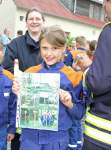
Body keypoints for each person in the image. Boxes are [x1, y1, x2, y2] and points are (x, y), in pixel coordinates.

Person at [12, 26, 85, 150]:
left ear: (64, 47)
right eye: (44, 48)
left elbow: (79, 114)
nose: (49, 53)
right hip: (30, 139)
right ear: (39, 47)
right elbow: (16, 109)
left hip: (57, 141)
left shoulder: (74, 76)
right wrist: (19, 96)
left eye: (55, 48)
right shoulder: (30, 73)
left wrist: (70, 104)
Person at [2, 7, 45, 150]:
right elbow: (7, 68)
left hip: (44, 100)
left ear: (43, 22)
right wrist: (20, 82)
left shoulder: (49, 44)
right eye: (31, 19)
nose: (34, 21)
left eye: (38, 18)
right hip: (21, 101)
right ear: (26, 22)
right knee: (20, 143)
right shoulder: (16, 43)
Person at [80, 0, 111, 149]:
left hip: (103, 134)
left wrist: (87, 70)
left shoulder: (109, 31)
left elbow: (98, 82)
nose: (103, 5)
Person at [68, 54, 88, 150]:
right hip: (81, 105)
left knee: (73, 127)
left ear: (75, 62)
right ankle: (78, 143)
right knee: (78, 126)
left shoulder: (75, 75)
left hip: (74, 105)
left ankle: (73, 146)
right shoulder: (84, 74)